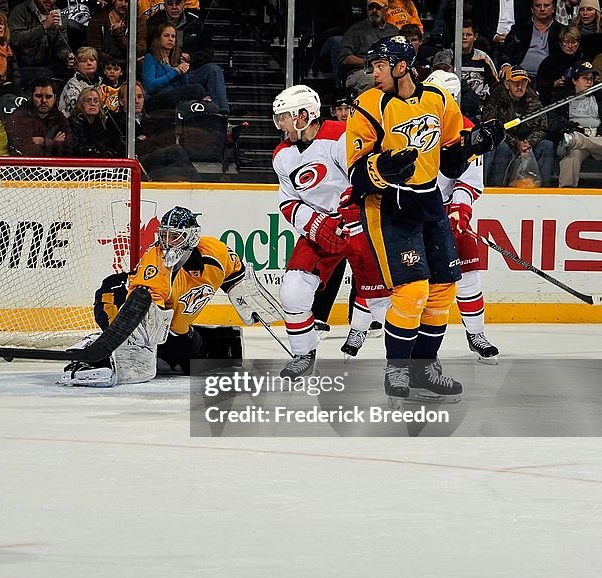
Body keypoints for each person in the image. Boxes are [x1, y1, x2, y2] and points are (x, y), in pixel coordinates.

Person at [346, 36, 504, 402]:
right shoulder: (367, 106)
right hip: (387, 207)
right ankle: (397, 371)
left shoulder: (438, 100)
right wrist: (381, 167)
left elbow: (450, 159)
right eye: (373, 66)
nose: (375, 73)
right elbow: (355, 174)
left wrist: (474, 144)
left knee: (443, 288)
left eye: (381, 65)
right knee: (412, 290)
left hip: (429, 201)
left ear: (402, 65)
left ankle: (424, 369)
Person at [61, 206, 275, 387]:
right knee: (124, 311)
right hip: (130, 304)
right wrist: (133, 349)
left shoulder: (216, 252)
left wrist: (250, 303)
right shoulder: (156, 263)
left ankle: (165, 353)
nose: (167, 242)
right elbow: (149, 319)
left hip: (174, 329)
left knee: (206, 363)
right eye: (164, 235)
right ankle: (102, 347)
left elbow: (239, 281)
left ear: (191, 236)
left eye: (175, 236)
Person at [271, 85, 391, 376]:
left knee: (382, 301)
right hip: (320, 229)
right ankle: (303, 353)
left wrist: (351, 213)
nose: (280, 125)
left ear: (303, 116)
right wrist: (316, 225)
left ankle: (408, 363)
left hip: (359, 224)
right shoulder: (282, 155)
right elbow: (288, 201)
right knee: (293, 291)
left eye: (284, 117)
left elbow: (363, 179)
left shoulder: (340, 135)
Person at [424, 70, 501, 363]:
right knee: (418, 284)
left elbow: (469, 181)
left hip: (445, 212)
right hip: (414, 212)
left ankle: (476, 333)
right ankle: (417, 350)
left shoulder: (468, 131)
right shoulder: (411, 124)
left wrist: (459, 206)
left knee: (468, 276)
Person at [481, 67, 555, 186]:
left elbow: (542, 127)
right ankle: (496, 187)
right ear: (507, 84)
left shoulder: (534, 100)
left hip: (528, 144)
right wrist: (516, 143)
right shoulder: (495, 99)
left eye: (524, 83)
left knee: (547, 145)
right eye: (516, 83)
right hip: (507, 142)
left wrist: (529, 142)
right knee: (501, 147)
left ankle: (543, 188)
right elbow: (491, 126)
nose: (520, 87)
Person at [119, 81, 199, 181]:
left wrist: (143, 141)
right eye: (131, 97)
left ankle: (202, 189)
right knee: (176, 151)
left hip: (155, 166)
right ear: (121, 101)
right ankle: (205, 190)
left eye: (140, 97)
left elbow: (161, 142)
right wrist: (142, 142)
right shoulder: (116, 121)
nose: (136, 101)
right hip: (135, 169)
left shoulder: (150, 120)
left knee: (182, 171)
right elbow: (125, 149)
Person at [553, 61, 602, 186]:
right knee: (572, 154)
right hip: (578, 137)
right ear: (574, 80)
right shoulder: (563, 97)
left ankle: (576, 139)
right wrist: (572, 127)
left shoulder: (599, 96)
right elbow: (555, 121)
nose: (589, 82)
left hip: (597, 139)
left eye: (591, 79)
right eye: (585, 78)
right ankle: (566, 194)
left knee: (573, 143)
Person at [141, 23, 209, 110]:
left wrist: (183, 73)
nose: (170, 39)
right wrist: (175, 72)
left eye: (173, 36)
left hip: (175, 97)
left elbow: (184, 86)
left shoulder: (175, 59)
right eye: (166, 36)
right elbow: (151, 86)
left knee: (196, 91)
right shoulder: (150, 57)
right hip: (156, 99)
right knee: (197, 88)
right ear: (158, 38)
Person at [338, 0, 400, 93]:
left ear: (386, 10)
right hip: (362, 71)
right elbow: (344, 57)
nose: (374, 11)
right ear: (367, 10)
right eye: (371, 8)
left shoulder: (394, 31)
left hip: (389, 70)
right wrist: (369, 62)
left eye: (378, 8)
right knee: (372, 80)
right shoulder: (356, 30)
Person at [5, 79, 73, 156]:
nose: (44, 100)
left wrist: (42, 141)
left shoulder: (59, 117)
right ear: (31, 96)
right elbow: (25, 150)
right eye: (39, 96)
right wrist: (54, 143)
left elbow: (68, 147)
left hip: (55, 166)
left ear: (55, 97)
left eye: (48, 97)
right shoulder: (18, 117)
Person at [68, 86, 123, 156]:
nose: (93, 104)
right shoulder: (73, 123)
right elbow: (76, 150)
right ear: (81, 104)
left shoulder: (101, 124)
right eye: (88, 101)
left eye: (96, 101)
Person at [537, 25, 584, 105]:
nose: (570, 46)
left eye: (573, 42)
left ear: (578, 43)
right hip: (556, 102)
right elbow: (540, 85)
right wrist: (553, 84)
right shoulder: (549, 62)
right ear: (561, 43)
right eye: (566, 42)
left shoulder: (583, 61)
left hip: (581, 100)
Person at [59, 46, 102, 117]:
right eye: (84, 61)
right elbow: (77, 110)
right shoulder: (72, 84)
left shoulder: (102, 81)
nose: (89, 63)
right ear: (76, 66)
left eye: (92, 60)